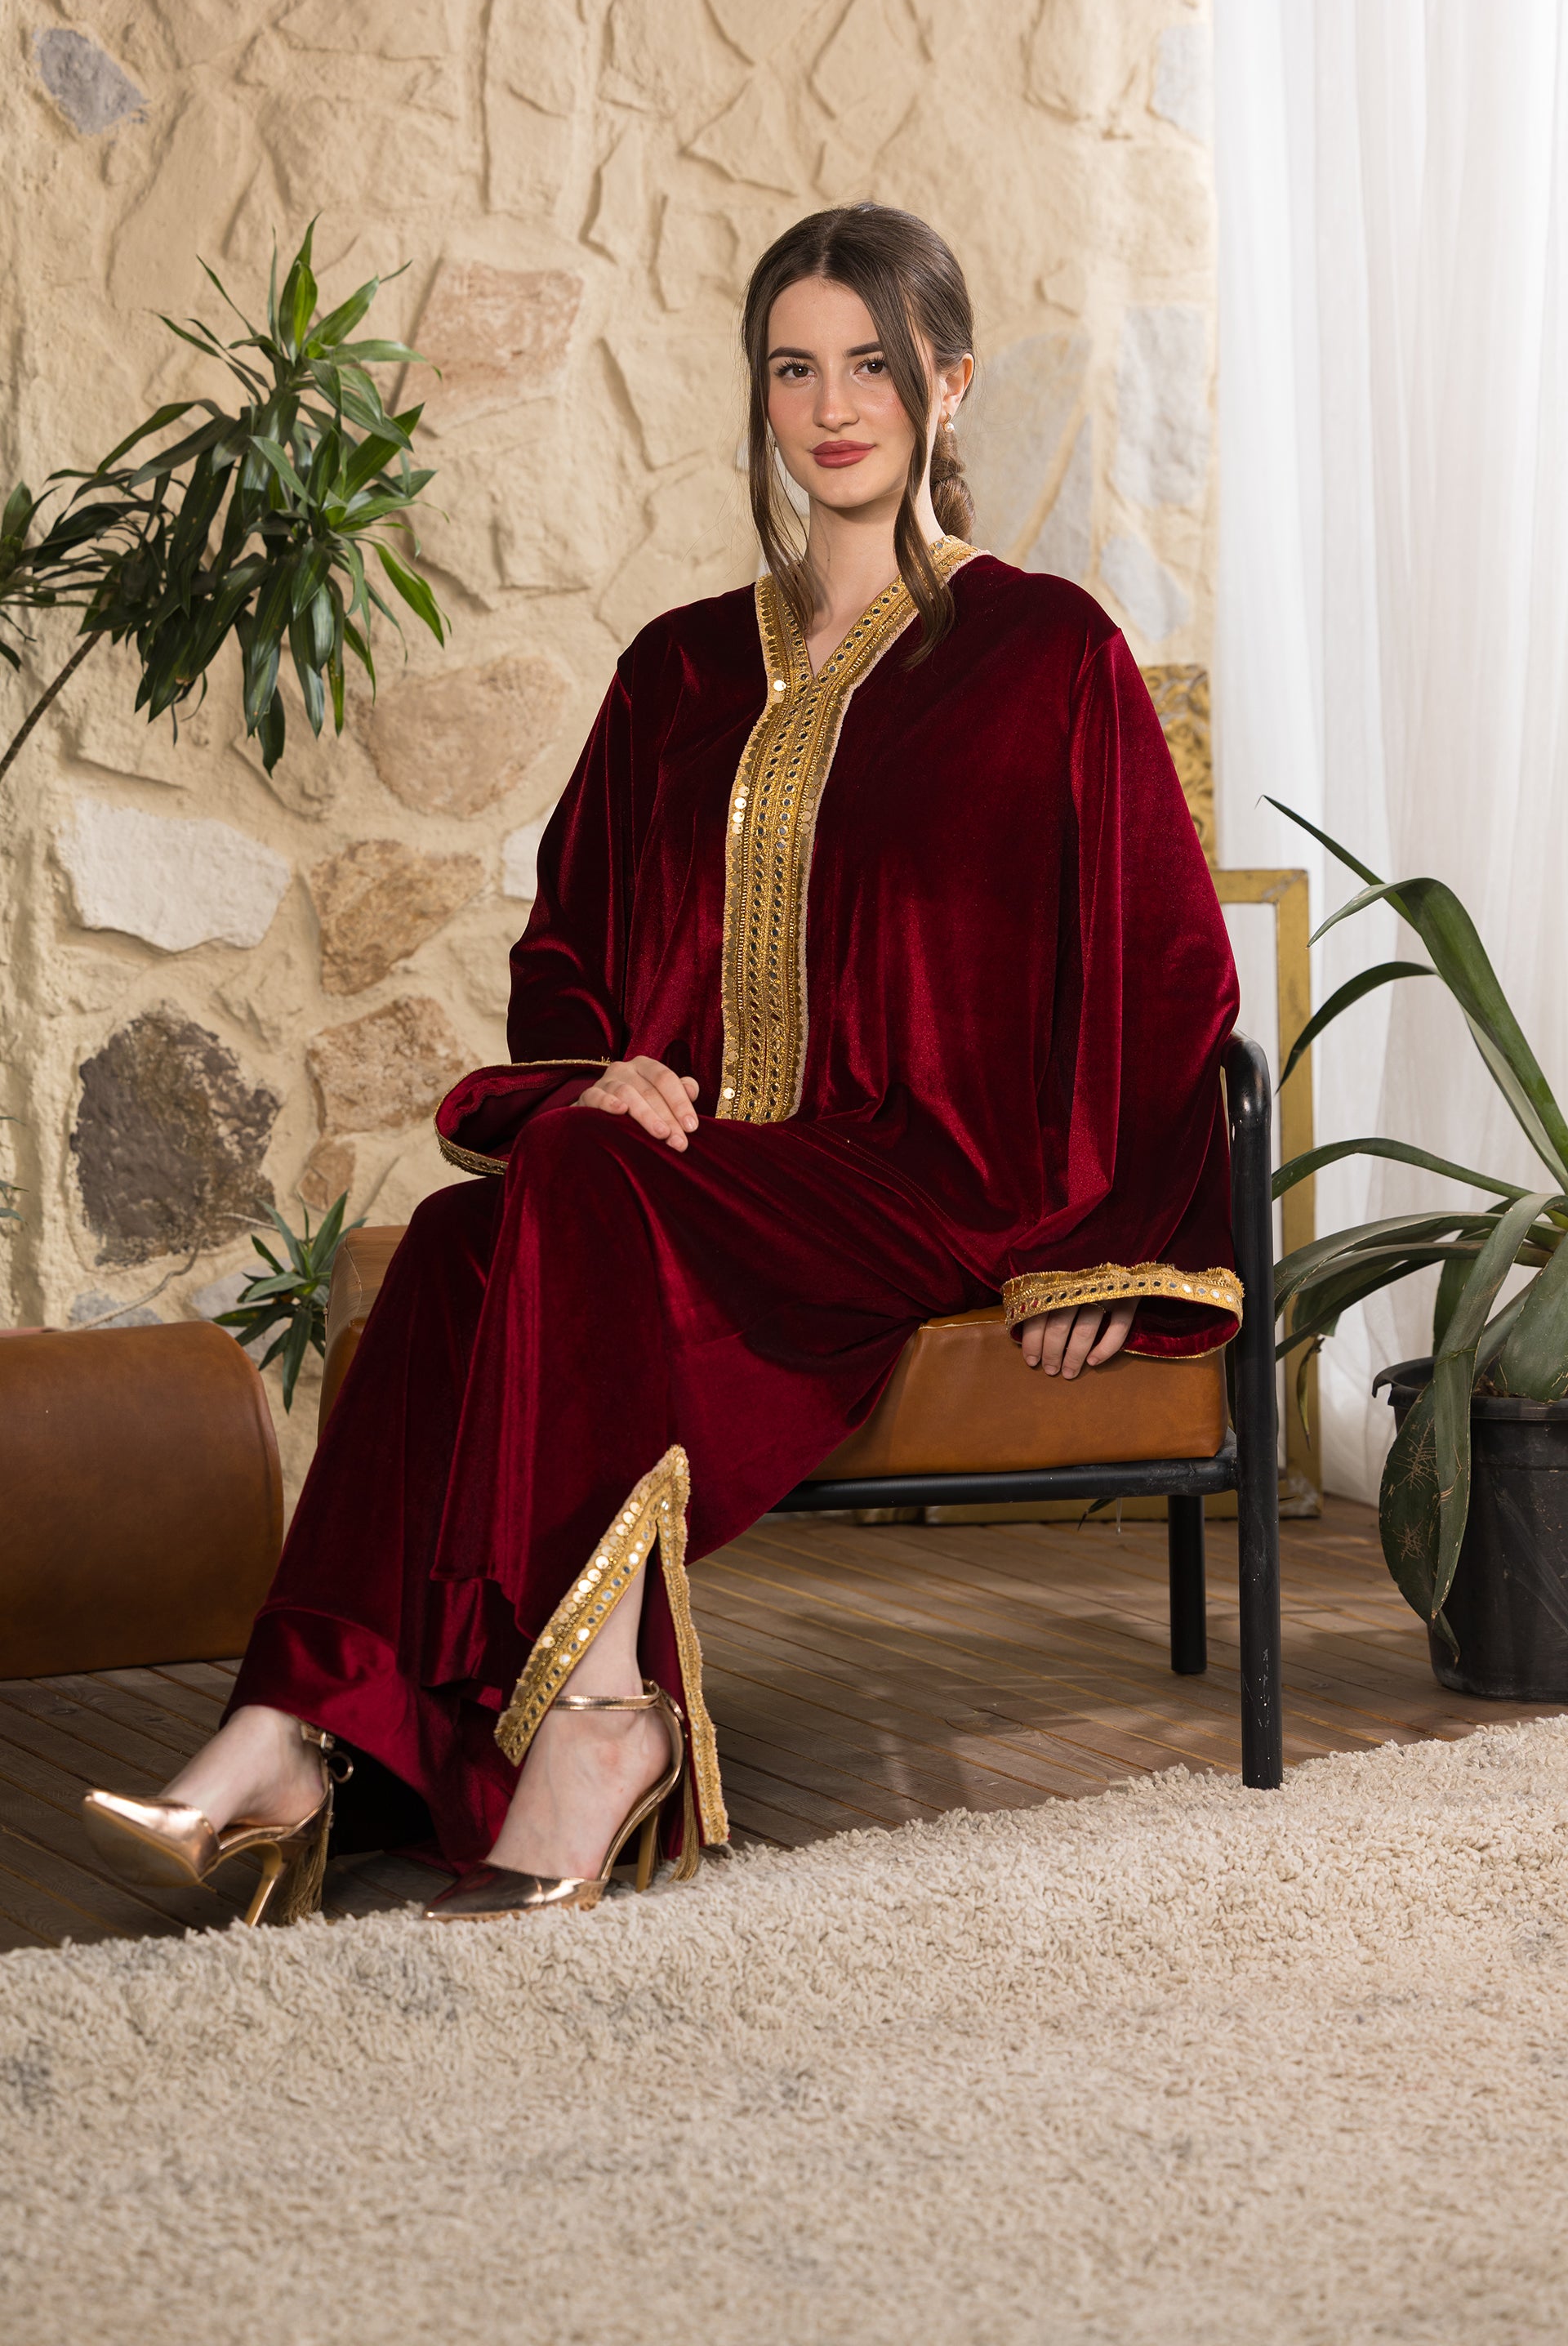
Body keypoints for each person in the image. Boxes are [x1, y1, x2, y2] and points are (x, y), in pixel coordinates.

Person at [81, 204, 1241, 1928]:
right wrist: (598, 1070)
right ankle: (288, 1728)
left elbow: (1165, 961)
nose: (832, 406)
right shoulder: (679, 668)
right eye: (794, 368)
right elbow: (565, 946)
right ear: (758, 392)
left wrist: (1111, 1250)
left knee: (581, 1182)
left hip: (921, 1176)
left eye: (872, 364)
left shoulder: (1046, 653)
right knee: (464, 1243)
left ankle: (603, 1719)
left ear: (949, 383)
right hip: (695, 1168)